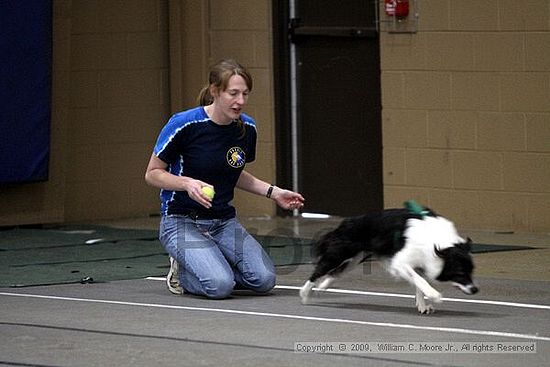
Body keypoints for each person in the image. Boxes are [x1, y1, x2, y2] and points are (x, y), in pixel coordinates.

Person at [145, 59, 305, 299]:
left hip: (223, 222)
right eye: (233, 93)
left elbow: (233, 172)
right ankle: (183, 272)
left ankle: (211, 265)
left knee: (264, 280)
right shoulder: (184, 124)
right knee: (220, 286)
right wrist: (187, 183)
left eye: (245, 94)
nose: (240, 101)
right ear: (214, 91)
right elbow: (152, 173)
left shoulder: (246, 128)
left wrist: (274, 192)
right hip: (181, 221)